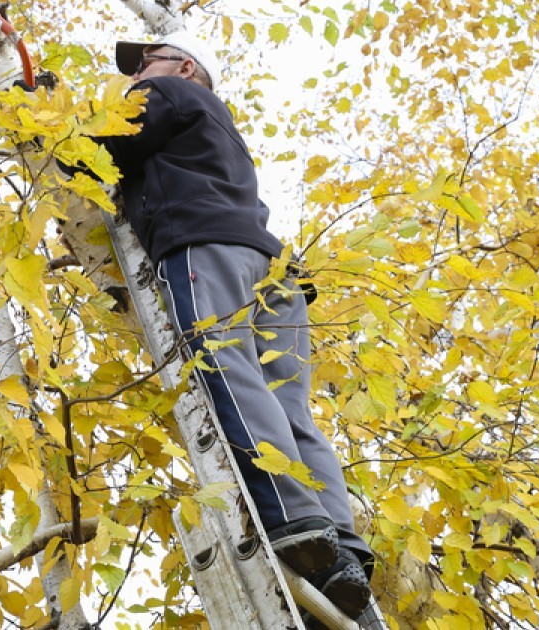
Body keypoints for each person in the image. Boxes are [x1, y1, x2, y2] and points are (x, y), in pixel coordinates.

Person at [79, 31, 374, 618]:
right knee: (289, 405)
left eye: (145, 63)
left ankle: (296, 523)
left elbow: (95, 146)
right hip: (271, 270)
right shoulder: (217, 126)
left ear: (183, 67)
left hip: (204, 245)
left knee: (222, 363)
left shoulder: (167, 93)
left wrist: (51, 119)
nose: (134, 76)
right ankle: (342, 545)